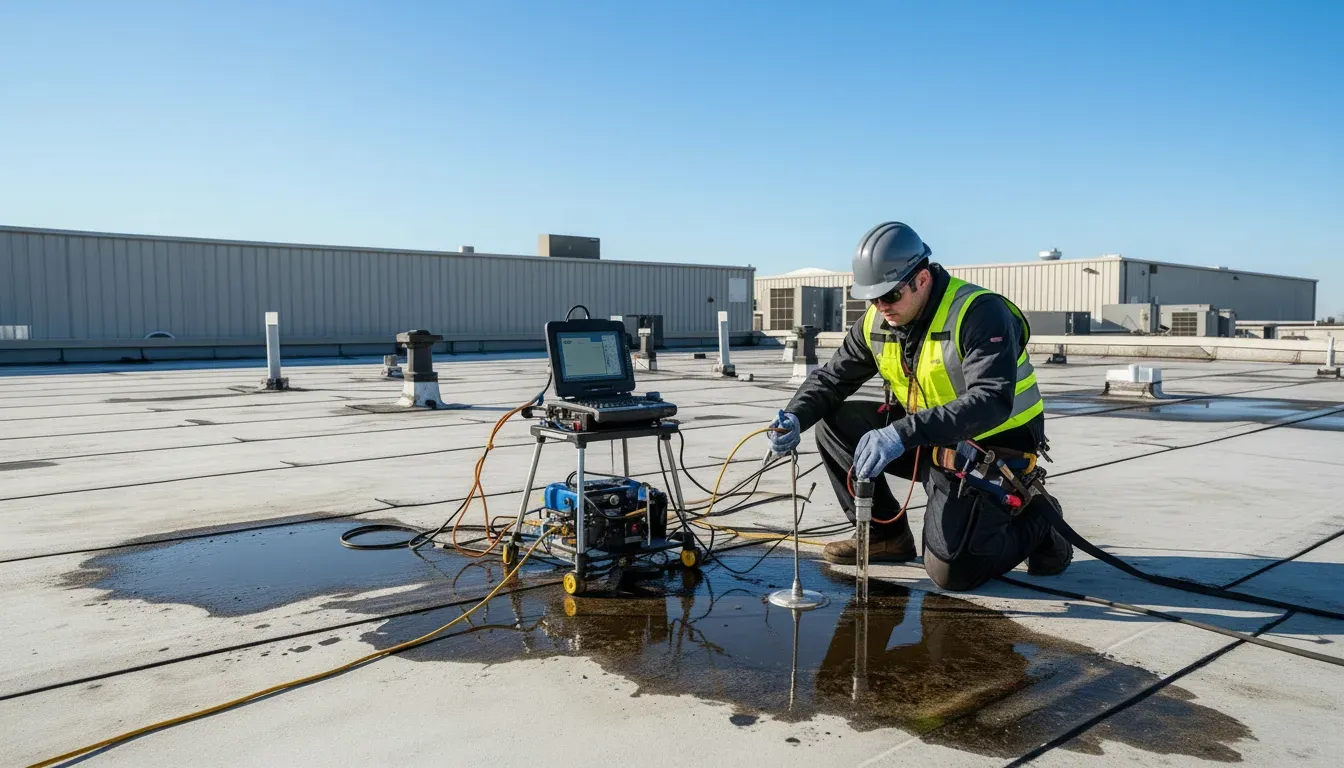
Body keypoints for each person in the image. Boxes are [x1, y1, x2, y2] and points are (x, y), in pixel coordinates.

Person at [768, 221, 1071, 591]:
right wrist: (794, 417)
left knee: (951, 572)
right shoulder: (877, 321)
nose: (881, 306)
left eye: (891, 295)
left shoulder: (979, 313)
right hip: (928, 438)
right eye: (873, 298)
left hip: (990, 447)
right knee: (833, 424)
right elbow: (832, 379)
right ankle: (886, 536)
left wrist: (901, 433)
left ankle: (1042, 520)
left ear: (922, 279)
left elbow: (991, 401)